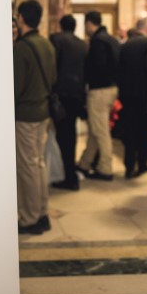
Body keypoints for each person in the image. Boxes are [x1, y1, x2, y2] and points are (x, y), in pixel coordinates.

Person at [13, 0, 56, 235]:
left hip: (26, 116)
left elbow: (15, 88)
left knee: (27, 167)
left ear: (21, 18)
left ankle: (29, 218)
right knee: (38, 163)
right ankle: (41, 212)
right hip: (43, 112)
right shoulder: (46, 43)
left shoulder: (22, 47)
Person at [76, 10, 120, 181]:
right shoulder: (112, 39)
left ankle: (105, 168)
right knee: (96, 129)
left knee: (101, 131)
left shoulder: (98, 41)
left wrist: (85, 80)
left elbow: (97, 67)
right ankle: (84, 163)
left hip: (99, 90)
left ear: (88, 23)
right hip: (111, 88)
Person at [49, 14, 88, 190]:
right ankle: (70, 174)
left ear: (60, 25)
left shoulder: (56, 40)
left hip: (60, 96)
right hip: (77, 96)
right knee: (70, 135)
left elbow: (52, 67)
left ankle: (67, 176)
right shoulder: (82, 44)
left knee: (62, 137)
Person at [118, 18, 147, 178]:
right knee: (143, 131)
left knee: (129, 132)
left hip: (127, 95)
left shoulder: (125, 44)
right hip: (144, 94)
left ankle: (129, 166)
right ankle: (142, 164)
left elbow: (119, 69)